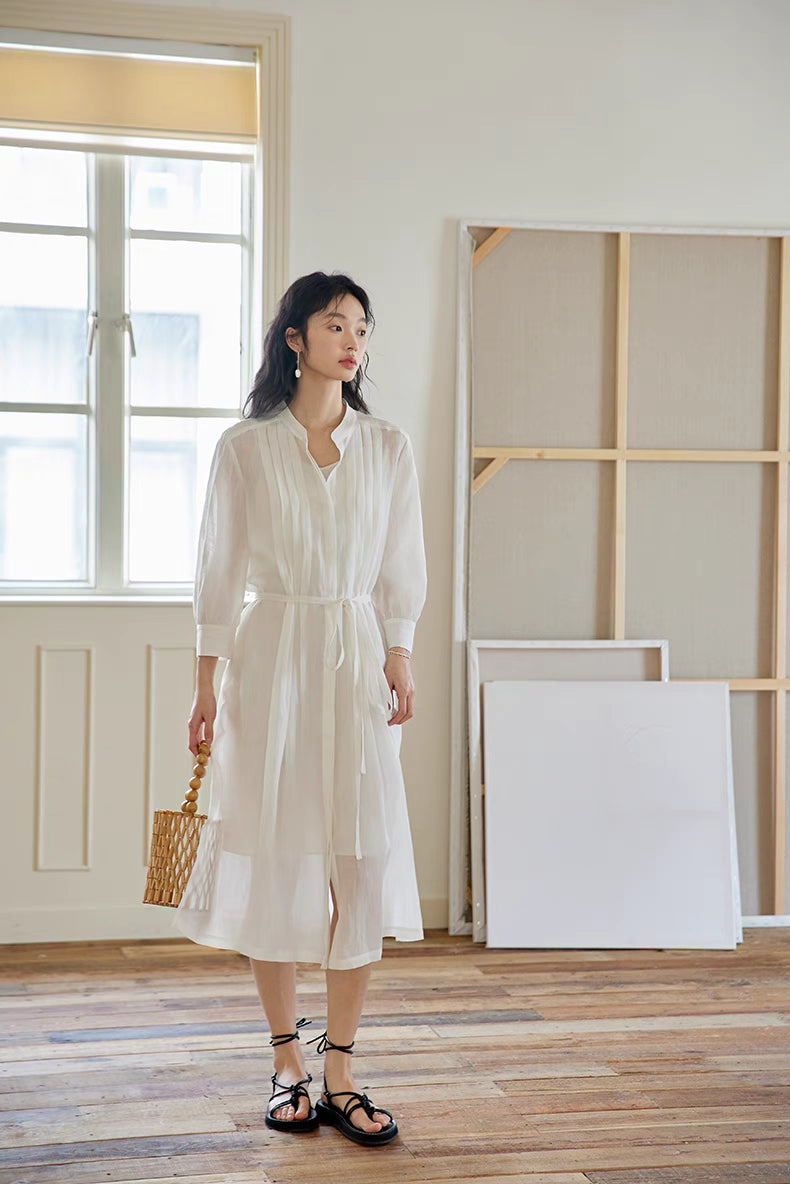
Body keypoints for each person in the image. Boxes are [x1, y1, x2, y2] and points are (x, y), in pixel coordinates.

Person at [174, 271, 428, 1147]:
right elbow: (217, 571)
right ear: (295, 339)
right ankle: (288, 1062)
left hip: (356, 659)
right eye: (334, 325)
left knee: (359, 862)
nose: (353, 341)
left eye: (361, 327)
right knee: (278, 858)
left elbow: (401, 562)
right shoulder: (245, 448)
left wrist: (399, 651)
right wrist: (205, 685)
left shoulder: (387, 446)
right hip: (271, 660)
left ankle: (342, 1071)